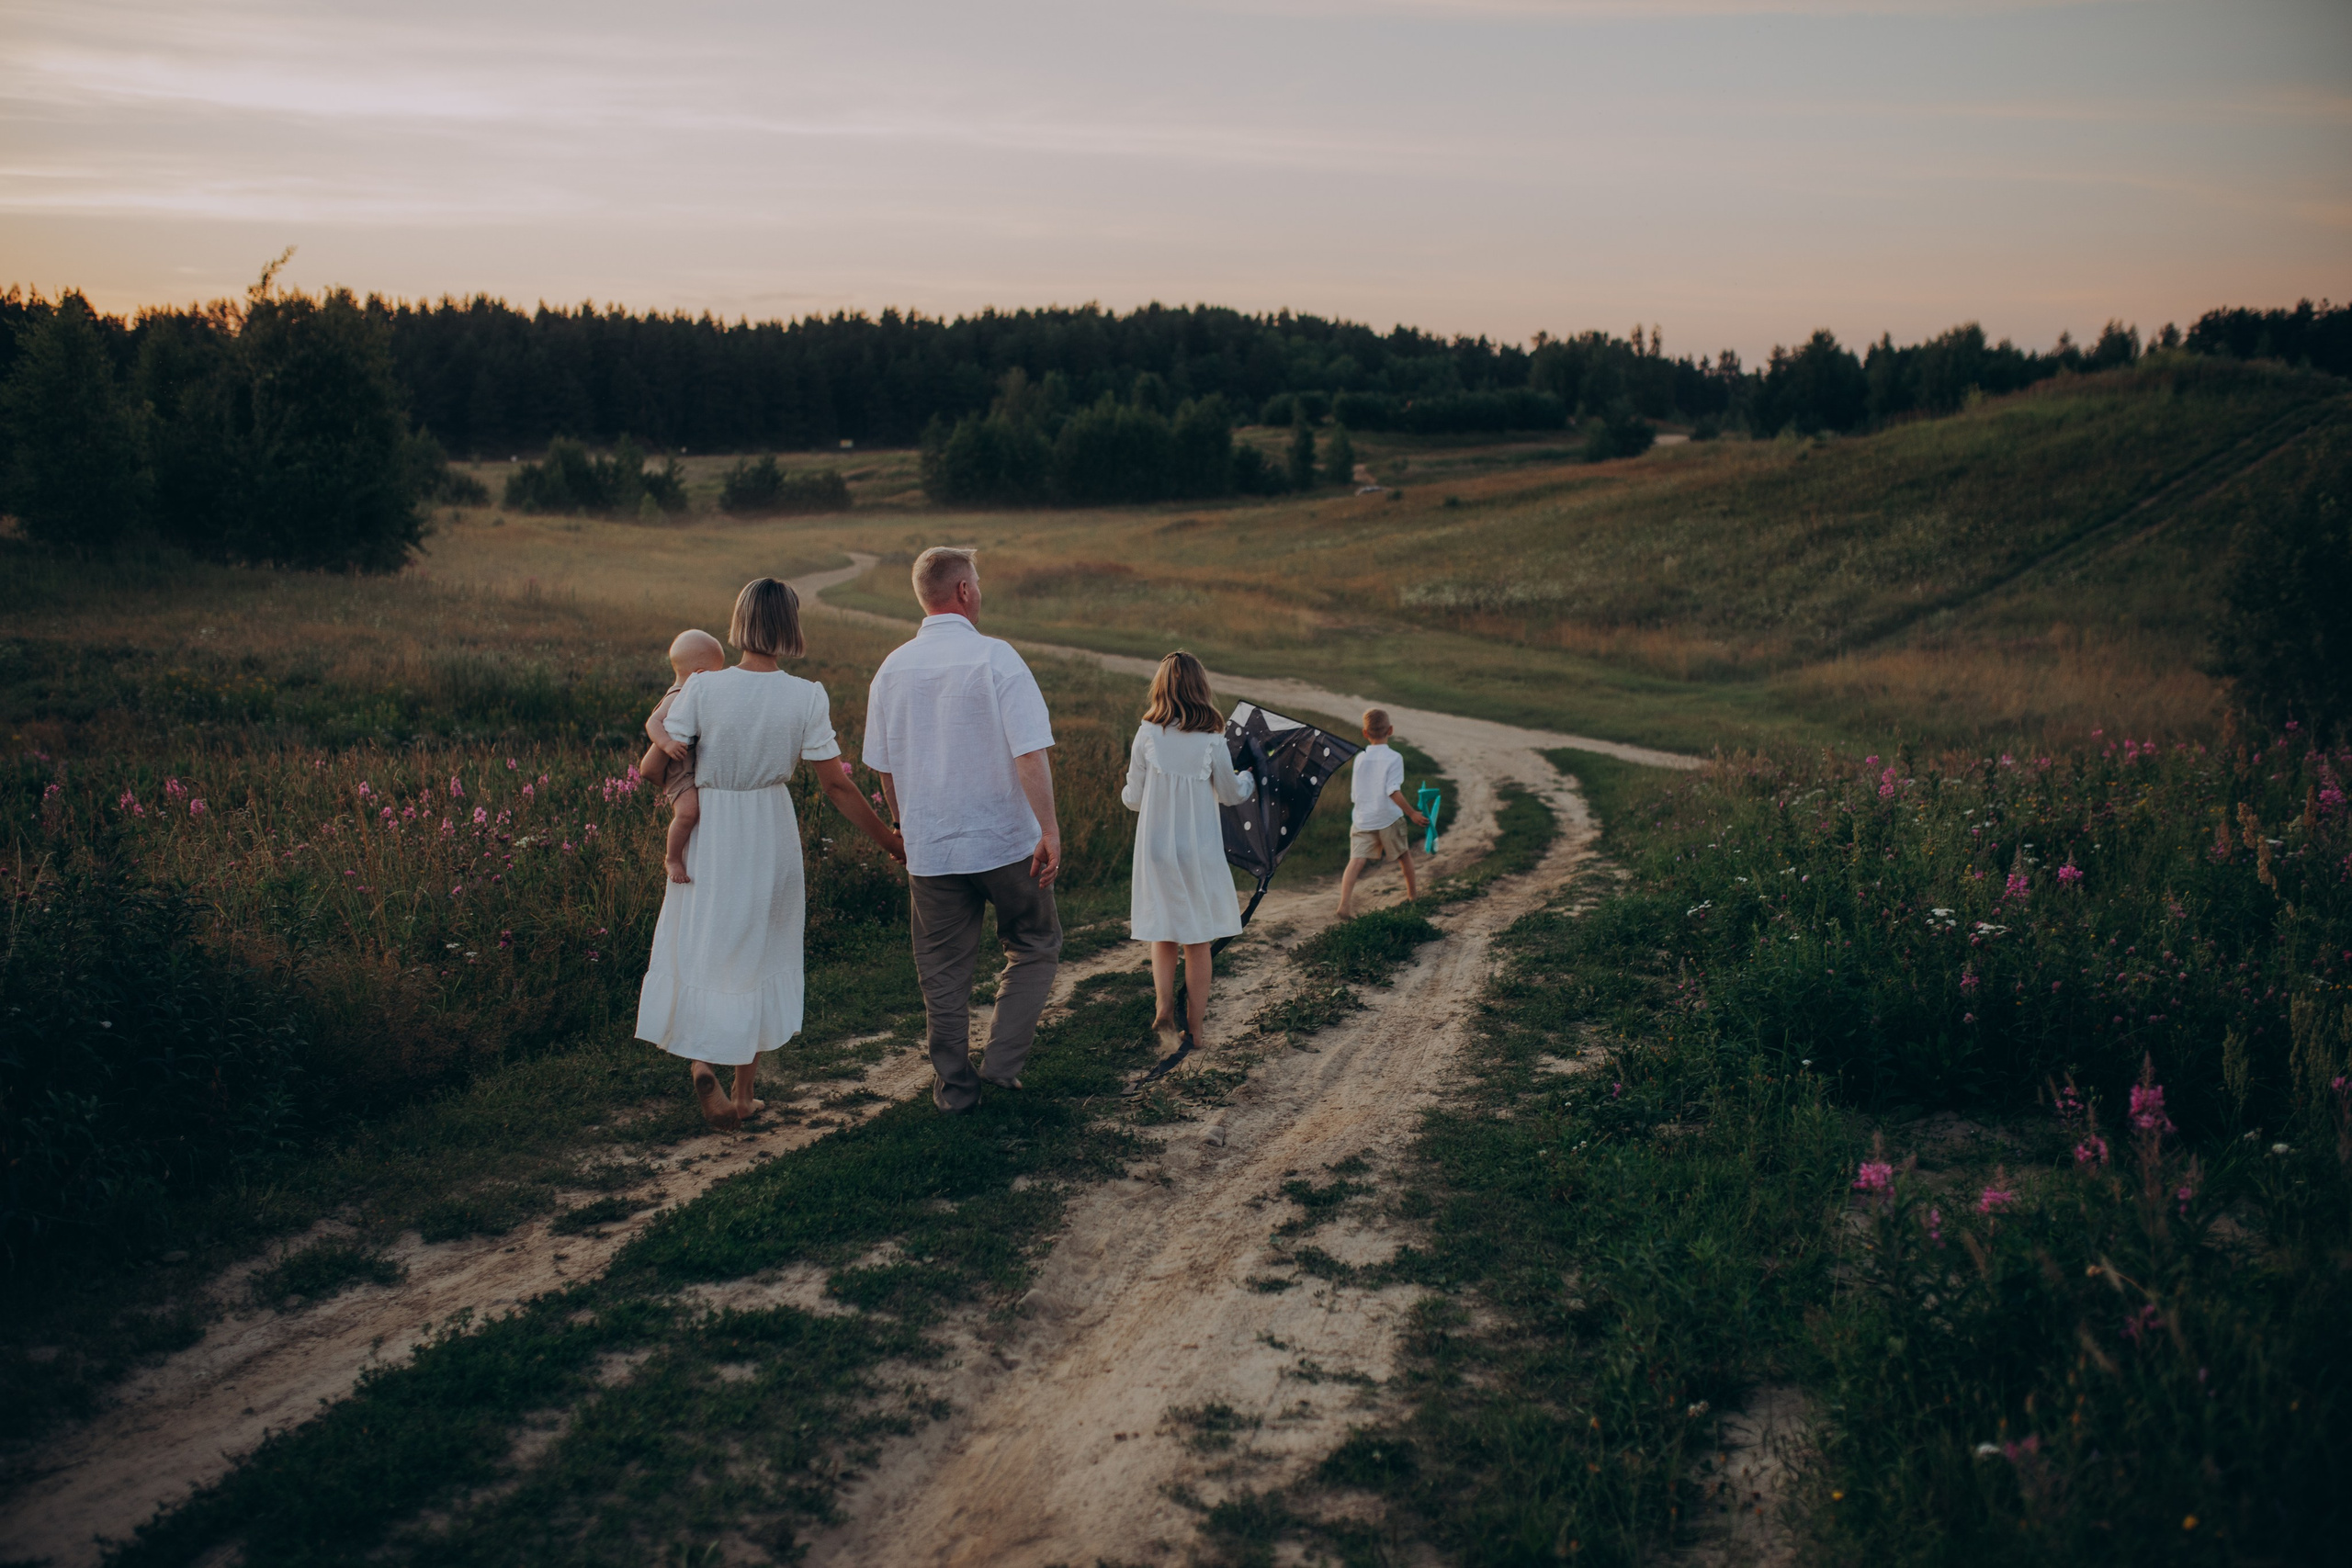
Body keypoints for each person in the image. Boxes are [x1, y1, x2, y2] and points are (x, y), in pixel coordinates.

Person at [637, 578, 905, 1131]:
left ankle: (702, 1063)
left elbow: (656, 764)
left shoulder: (703, 688)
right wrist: (889, 839)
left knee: (705, 945)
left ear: (739, 624)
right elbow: (836, 786)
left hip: (711, 828)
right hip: (768, 829)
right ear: (791, 626)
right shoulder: (806, 696)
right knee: (758, 952)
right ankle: (742, 1095)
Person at [864, 547, 1062, 1113]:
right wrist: (1049, 829)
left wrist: (903, 824)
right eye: (977, 583)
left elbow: (884, 766)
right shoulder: (997, 658)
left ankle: (955, 1090)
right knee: (1034, 943)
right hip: (1005, 841)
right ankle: (1001, 1068)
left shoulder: (892, 668)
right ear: (964, 591)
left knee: (942, 972)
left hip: (931, 846)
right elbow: (1029, 753)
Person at [1122, 651, 1256, 1054]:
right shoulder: (1213, 740)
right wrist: (1248, 778)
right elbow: (1230, 793)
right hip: (1198, 849)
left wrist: (1135, 790)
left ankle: (1164, 1005)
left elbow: (1133, 799)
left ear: (1160, 688)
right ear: (1201, 688)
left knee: (1163, 930)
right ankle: (1194, 1030)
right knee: (1197, 940)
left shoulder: (1146, 734)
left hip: (1156, 848)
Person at [636, 628, 729, 884]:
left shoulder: (690, 695)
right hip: (678, 769)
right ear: (698, 674)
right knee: (688, 813)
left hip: (688, 765)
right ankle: (673, 858)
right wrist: (666, 744)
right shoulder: (677, 695)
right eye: (715, 674)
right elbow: (653, 722)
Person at [1335, 707, 1428, 919]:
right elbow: (1392, 790)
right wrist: (1412, 813)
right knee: (1404, 855)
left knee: (1356, 861)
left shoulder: (1360, 758)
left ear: (1365, 733)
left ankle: (1344, 905)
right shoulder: (1394, 758)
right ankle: (1413, 896)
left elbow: (1356, 792)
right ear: (1391, 730)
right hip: (1388, 818)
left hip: (1363, 818)